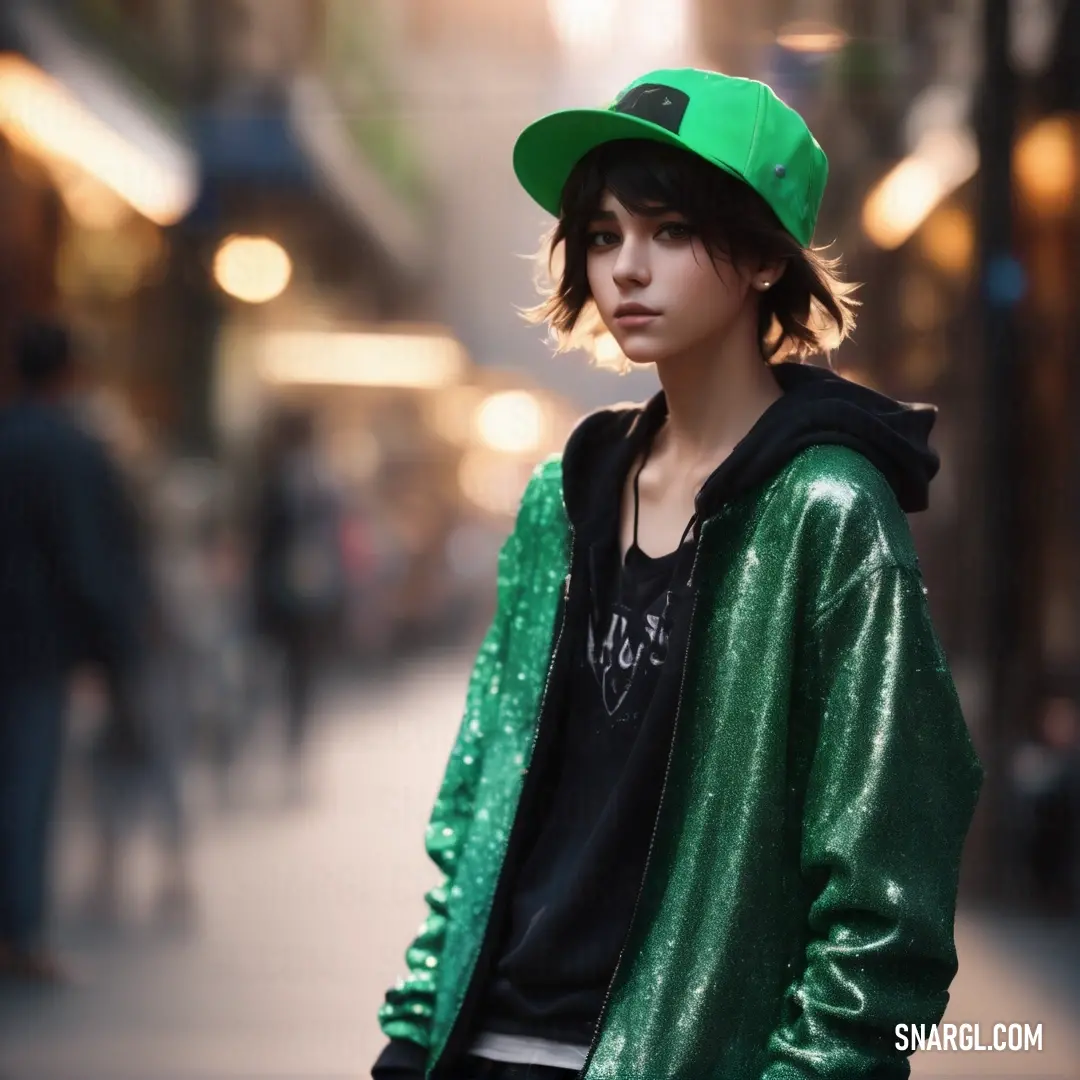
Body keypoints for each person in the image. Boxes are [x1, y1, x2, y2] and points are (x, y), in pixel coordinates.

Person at [371, 69, 984, 1080]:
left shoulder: (826, 514)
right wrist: (413, 1030)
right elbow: (479, 793)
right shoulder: (560, 502)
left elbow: (887, 880)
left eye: (666, 230)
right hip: (480, 1047)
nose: (626, 270)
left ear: (756, 253)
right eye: (604, 235)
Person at [0, 320, 145, 982]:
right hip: (37, 645)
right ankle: (21, 935)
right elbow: (91, 560)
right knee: (27, 789)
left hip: (27, 638)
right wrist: (113, 654)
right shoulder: (74, 451)